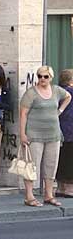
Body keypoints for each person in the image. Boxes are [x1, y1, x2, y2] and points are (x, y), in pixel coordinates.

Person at [20, 66, 71, 207]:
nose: (42, 79)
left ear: (51, 78)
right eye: (40, 76)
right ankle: (29, 196)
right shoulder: (31, 93)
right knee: (32, 165)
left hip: (53, 134)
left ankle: (49, 195)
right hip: (34, 134)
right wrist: (22, 133)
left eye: (45, 76)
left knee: (51, 165)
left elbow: (68, 96)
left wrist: (59, 111)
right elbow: (23, 113)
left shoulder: (56, 90)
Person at [56, 69, 73, 198]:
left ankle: (61, 187)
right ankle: (69, 189)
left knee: (61, 158)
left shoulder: (57, 91)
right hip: (70, 130)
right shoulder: (70, 92)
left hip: (58, 129)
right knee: (69, 159)